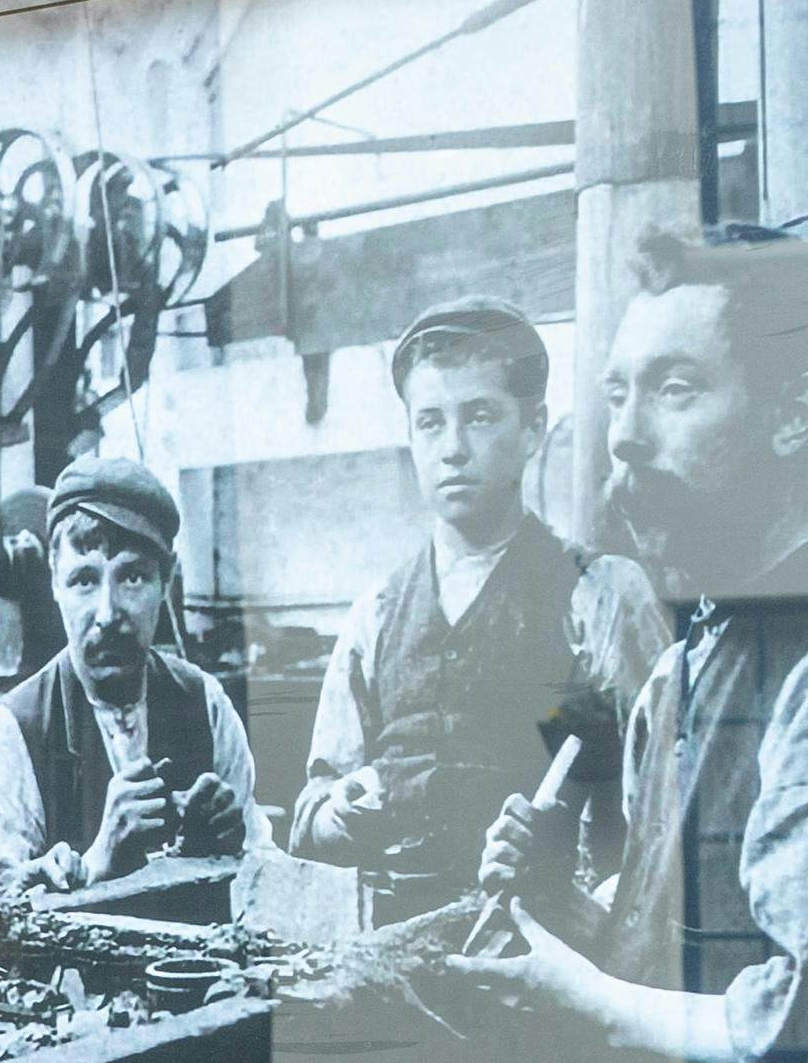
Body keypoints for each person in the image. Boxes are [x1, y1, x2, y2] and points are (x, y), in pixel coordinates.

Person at [463, 229, 808, 1063]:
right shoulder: (678, 676)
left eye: (673, 389)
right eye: (616, 393)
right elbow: (682, 937)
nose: (624, 437)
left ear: (793, 414)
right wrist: (557, 905)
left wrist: (576, 998)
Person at [286, 299, 670, 922]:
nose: (453, 448)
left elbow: (658, 829)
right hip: (387, 952)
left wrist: (588, 909)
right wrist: (344, 808)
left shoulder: (600, 598)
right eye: (430, 422)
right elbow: (308, 821)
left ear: (533, 429)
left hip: (542, 955)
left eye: (481, 417)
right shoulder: (376, 616)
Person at [0, 455, 257, 904]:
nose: (107, 613)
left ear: (167, 579)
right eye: (83, 580)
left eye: (133, 577)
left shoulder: (204, 704)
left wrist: (223, 848)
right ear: (54, 584)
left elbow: (262, 874)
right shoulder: (17, 732)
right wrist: (99, 862)